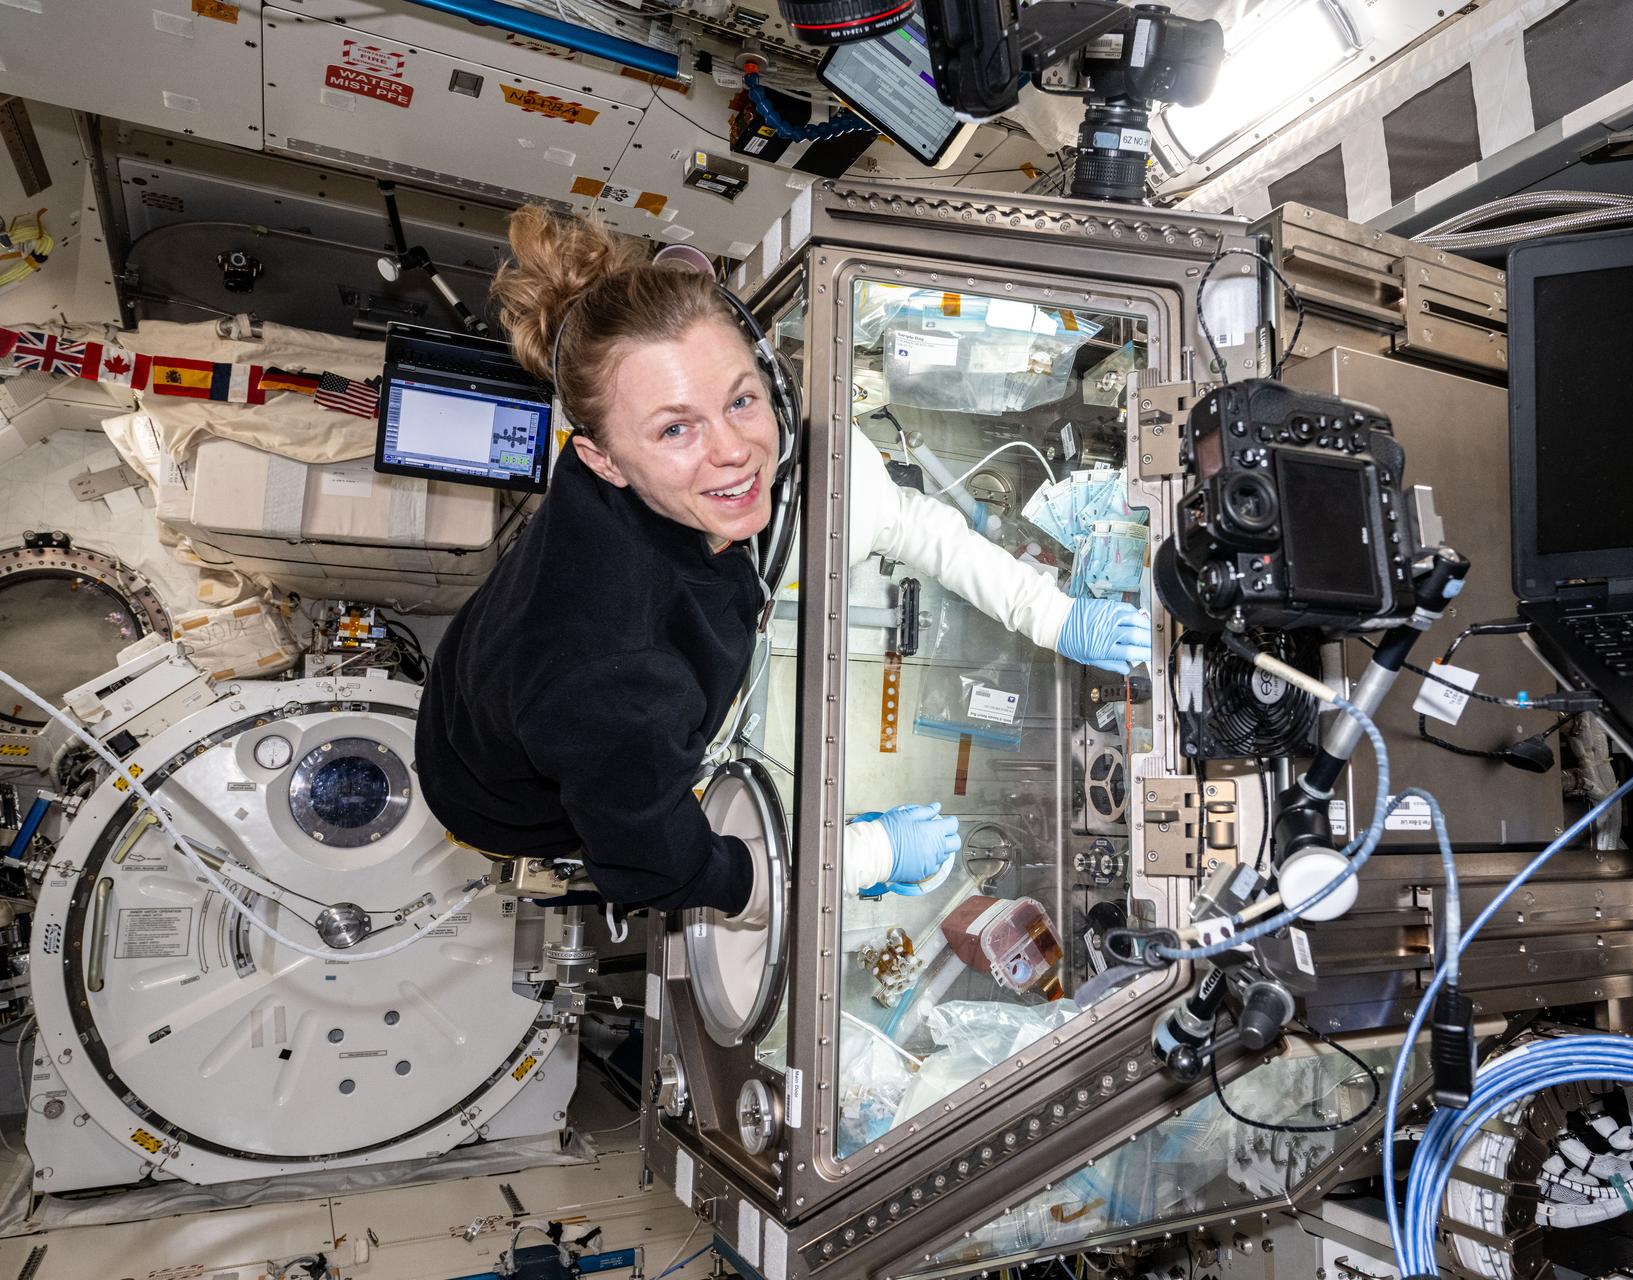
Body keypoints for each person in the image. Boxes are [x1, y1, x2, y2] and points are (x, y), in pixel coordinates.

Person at [415, 207, 1149, 922]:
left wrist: (1053, 614)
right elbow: (679, 872)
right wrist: (865, 855)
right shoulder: (616, 678)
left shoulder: (760, 451)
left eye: (740, 399)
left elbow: (909, 522)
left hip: (500, 671)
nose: (735, 451)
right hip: (492, 793)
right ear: (601, 460)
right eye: (676, 428)